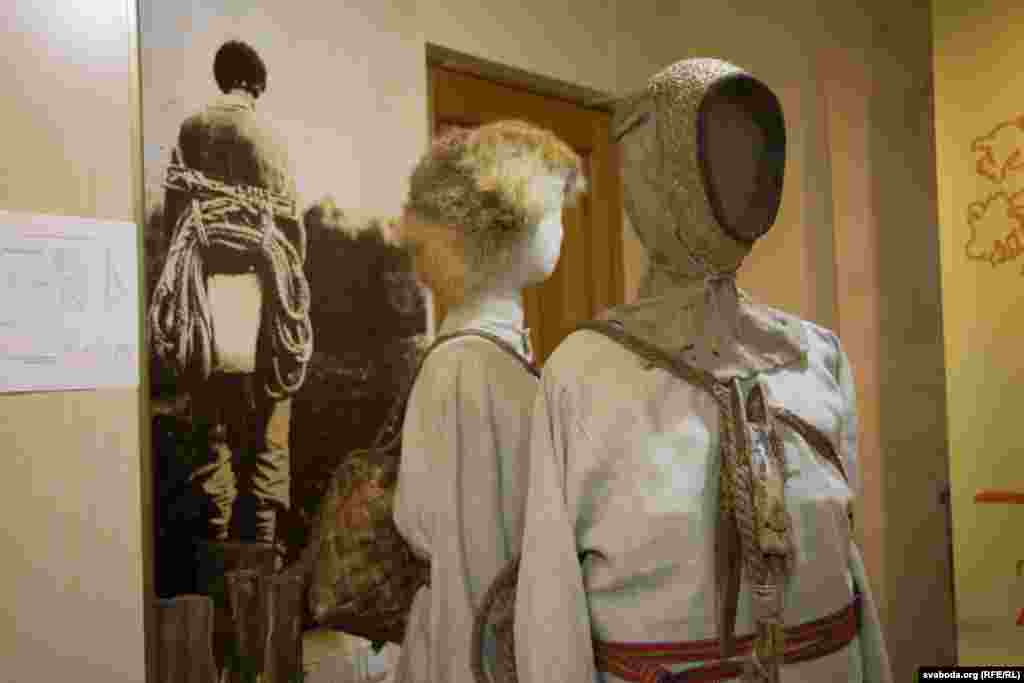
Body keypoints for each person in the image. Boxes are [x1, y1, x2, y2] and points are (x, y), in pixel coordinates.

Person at [513, 58, 892, 683]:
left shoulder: (815, 357)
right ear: (658, 176)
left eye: (750, 158)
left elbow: (848, 574)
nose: (741, 179)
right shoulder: (582, 375)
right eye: (715, 155)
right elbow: (551, 615)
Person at [391, 120, 584, 683]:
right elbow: (470, 585)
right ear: (508, 227)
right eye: (554, 212)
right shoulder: (468, 370)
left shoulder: (486, 359)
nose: (561, 228)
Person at [149, 39, 312, 568]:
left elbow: (174, 220)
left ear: (221, 78)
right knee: (270, 432)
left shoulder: (191, 130)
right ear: (257, 84)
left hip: (201, 301)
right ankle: (263, 559)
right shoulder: (270, 135)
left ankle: (216, 559)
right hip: (264, 300)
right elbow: (292, 230)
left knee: (210, 432)